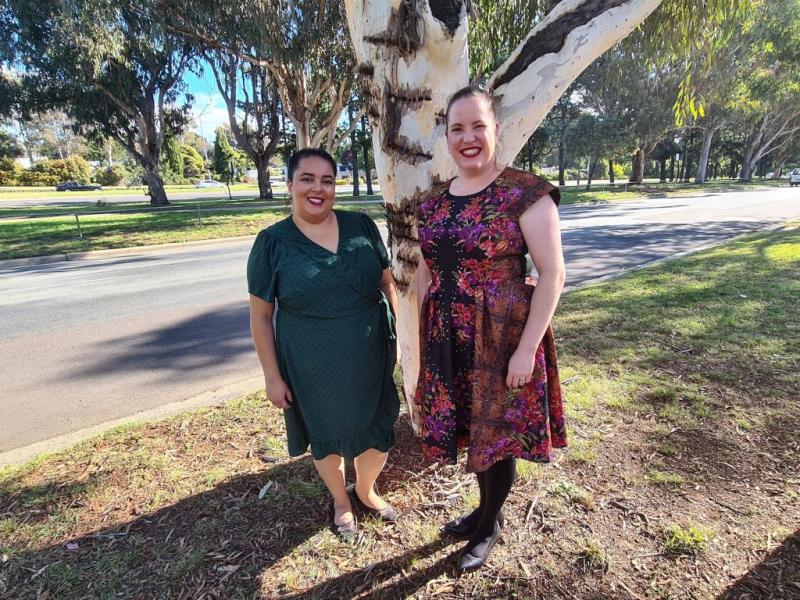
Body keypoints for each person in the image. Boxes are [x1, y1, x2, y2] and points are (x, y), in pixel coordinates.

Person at [414, 85, 567, 570]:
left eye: (478, 125)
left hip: (502, 340)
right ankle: (484, 510)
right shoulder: (434, 202)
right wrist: (423, 341)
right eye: (457, 128)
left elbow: (553, 275)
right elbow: (424, 271)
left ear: (495, 130)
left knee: (495, 438)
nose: (468, 137)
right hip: (448, 338)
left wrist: (527, 350)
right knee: (472, 432)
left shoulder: (526, 193)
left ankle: (487, 527)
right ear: (446, 136)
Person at [248, 148, 400, 541]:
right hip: (312, 366)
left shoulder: (362, 226)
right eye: (307, 179)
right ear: (290, 185)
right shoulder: (272, 243)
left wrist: (400, 336)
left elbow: (387, 284)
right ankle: (341, 500)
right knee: (327, 436)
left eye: (327, 180)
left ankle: (365, 490)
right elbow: (262, 317)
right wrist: (271, 376)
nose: (318, 188)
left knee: (379, 428)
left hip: (372, 354)